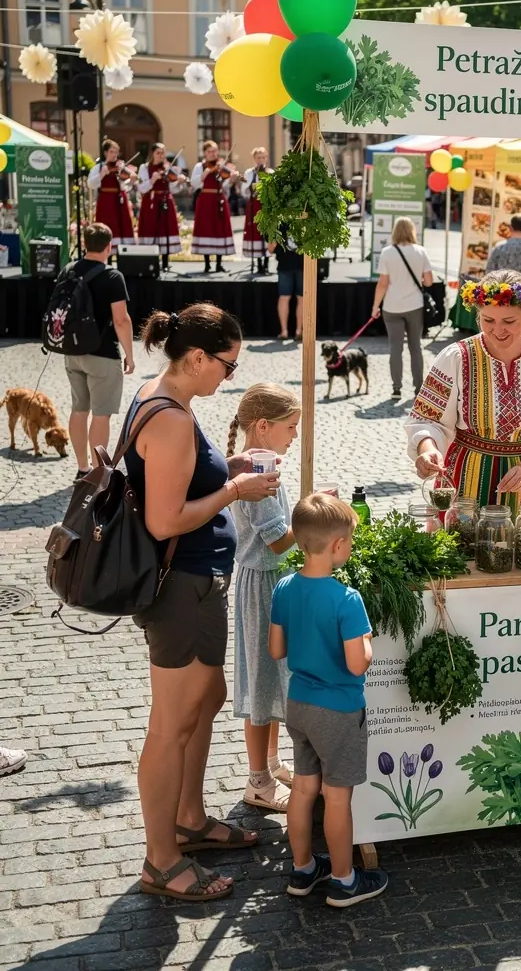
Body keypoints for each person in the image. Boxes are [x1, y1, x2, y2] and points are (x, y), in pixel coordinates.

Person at [126, 303, 280, 902]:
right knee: (171, 724)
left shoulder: (171, 399)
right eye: (227, 365)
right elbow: (167, 521)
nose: (229, 377)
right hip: (181, 583)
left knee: (207, 698)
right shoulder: (167, 416)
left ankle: (189, 819)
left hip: (199, 580)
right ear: (196, 358)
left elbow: (190, 477)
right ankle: (161, 859)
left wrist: (230, 467)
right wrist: (235, 490)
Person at [269, 493, 389, 908]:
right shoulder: (347, 599)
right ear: (338, 545)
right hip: (338, 711)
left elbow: (276, 649)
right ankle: (344, 879)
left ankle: (302, 870)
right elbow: (358, 665)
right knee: (337, 797)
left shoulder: (284, 587)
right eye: (350, 541)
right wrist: (368, 643)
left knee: (303, 790)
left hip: (298, 705)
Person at [407, 268, 521, 520]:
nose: (497, 330)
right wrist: (427, 449)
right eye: (487, 320)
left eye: (509, 321)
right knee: (463, 553)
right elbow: (428, 420)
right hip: (465, 484)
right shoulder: (456, 357)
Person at [226, 383, 301, 814]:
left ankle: (271, 764)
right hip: (262, 585)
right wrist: (316, 517)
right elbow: (276, 541)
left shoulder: (263, 464)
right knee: (261, 683)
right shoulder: (256, 475)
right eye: (290, 428)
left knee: (272, 677)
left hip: (273, 582)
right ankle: (257, 779)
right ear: (263, 426)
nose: (294, 436)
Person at [63, 222, 135, 480]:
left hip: (72, 350)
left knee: (78, 410)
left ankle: (82, 467)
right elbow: (121, 320)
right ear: (109, 246)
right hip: (102, 353)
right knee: (101, 415)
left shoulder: (68, 270)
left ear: (84, 244)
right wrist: (130, 354)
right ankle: (97, 472)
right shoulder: (112, 276)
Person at [372, 217, 432, 399]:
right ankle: (418, 388)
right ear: (412, 231)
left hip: (392, 306)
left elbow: (383, 283)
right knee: (416, 347)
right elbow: (428, 282)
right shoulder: (421, 252)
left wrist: (375, 306)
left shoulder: (387, 252)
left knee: (395, 348)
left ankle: (396, 388)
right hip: (414, 305)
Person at [190, 140, 237, 274]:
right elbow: (194, 184)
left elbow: (226, 185)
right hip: (205, 200)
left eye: (215, 151)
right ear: (204, 153)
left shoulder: (222, 166)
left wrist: (232, 179)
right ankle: (207, 264)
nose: (212, 154)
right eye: (209, 151)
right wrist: (204, 174)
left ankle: (219, 264)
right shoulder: (200, 166)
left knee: (219, 229)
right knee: (206, 229)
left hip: (219, 200)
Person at [137, 144, 183, 271]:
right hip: (151, 201)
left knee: (165, 229)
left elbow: (173, 189)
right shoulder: (144, 168)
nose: (161, 155)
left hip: (165, 201)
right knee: (151, 228)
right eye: (158, 152)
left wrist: (177, 182)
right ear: (152, 154)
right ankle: (151, 262)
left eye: (163, 153)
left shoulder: (168, 168)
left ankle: (165, 261)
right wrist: (152, 180)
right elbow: (141, 188)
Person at [88, 140, 137, 250]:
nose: (114, 155)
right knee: (106, 226)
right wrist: (102, 174)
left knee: (122, 226)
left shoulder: (120, 167)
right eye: (111, 152)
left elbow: (124, 186)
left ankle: (122, 256)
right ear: (105, 153)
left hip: (119, 200)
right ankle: (106, 256)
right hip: (106, 201)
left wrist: (131, 180)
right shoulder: (99, 167)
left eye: (116, 152)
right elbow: (91, 184)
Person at [241, 147, 272, 275]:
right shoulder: (250, 172)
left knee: (266, 232)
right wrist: (251, 184)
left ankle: (266, 264)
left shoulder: (271, 172)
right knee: (255, 231)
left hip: (266, 206)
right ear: (254, 159)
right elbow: (243, 190)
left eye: (263, 157)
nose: (261, 160)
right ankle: (258, 264)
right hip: (254, 205)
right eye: (259, 158)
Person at [270, 224, 304, 341]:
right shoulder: (306, 218)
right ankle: (299, 330)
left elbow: (271, 248)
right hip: (302, 263)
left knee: (284, 297)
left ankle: (284, 331)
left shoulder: (279, 222)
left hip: (284, 264)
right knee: (302, 298)